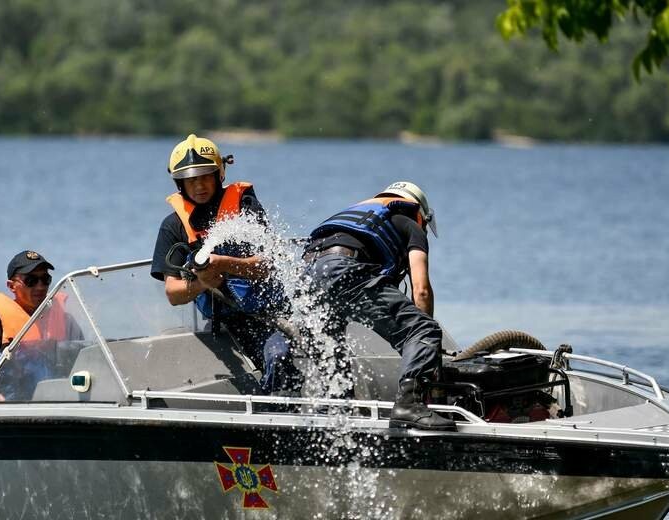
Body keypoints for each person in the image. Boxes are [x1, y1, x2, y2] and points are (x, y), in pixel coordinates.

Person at [150, 134, 298, 393]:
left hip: (267, 315)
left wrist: (225, 264)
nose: (199, 186)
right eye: (191, 180)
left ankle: (280, 413)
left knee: (279, 356)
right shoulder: (172, 226)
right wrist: (202, 283)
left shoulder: (245, 206)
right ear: (179, 183)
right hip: (224, 326)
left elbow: (268, 265)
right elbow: (173, 293)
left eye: (205, 177)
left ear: (220, 173)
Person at [303, 181, 456, 431]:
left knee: (334, 348)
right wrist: (425, 344)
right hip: (344, 270)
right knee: (423, 330)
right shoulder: (410, 222)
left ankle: (334, 411)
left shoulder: (355, 215)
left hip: (307, 278)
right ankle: (409, 404)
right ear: (420, 213)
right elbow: (421, 290)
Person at [0, 250, 81, 406]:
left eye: (45, 279)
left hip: (55, 405)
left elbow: (86, 364)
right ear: (11, 286)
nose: (40, 286)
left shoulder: (66, 322)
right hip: (7, 409)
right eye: (31, 280)